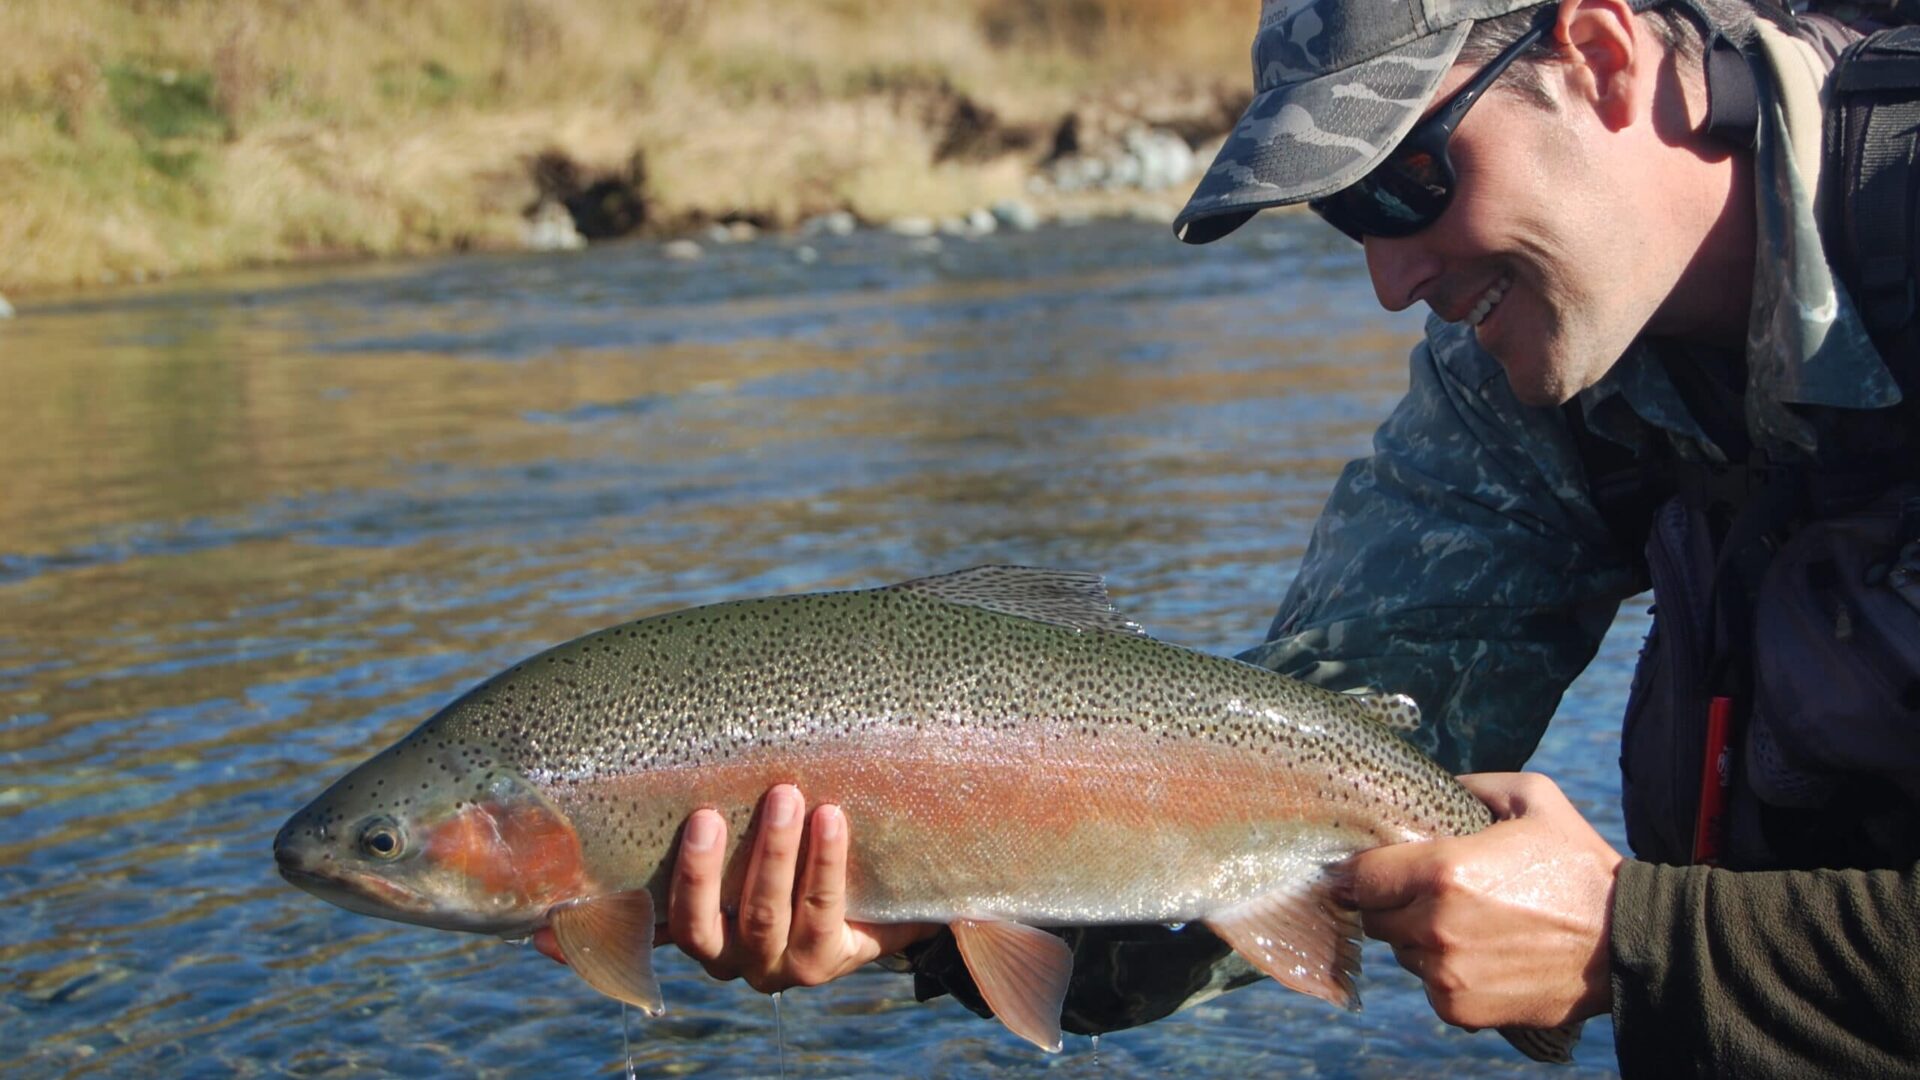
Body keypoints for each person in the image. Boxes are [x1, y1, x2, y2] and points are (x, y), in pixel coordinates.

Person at [547, 0, 1920, 1073]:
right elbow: (1299, 767)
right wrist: (936, 892)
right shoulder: (1516, 380)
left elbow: (1641, 945)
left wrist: (1653, 947)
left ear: (1603, 60)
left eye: (1404, 186)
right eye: (1343, 217)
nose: (1391, 280)